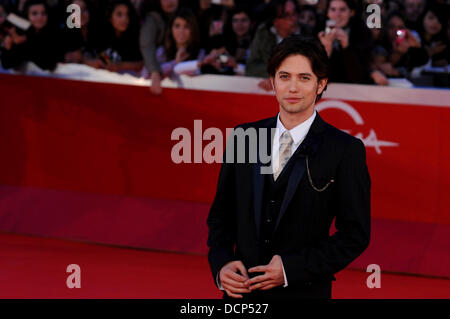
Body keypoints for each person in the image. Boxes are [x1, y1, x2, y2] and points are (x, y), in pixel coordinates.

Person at [207, 35, 371, 300]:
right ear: (273, 82)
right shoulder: (244, 137)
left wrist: (289, 269)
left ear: (321, 84)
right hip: (241, 296)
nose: (293, 87)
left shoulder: (345, 150)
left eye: (304, 78)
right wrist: (222, 262)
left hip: (304, 293)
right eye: (285, 77)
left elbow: (355, 235)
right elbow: (221, 215)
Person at [246, 0, 300, 90]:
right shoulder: (263, 33)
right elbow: (251, 66)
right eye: (287, 15)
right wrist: (275, 74)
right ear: (275, 21)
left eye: (295, 13)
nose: (294, 19)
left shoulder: (308, 32)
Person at [318, 0, 374, 84]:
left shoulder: (363, 35)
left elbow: (359, 76)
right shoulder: (318, 33)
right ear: (327, 13)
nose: (337, 15)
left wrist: (346, 47)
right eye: (333, 9)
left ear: (352, 12)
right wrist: (326, 51)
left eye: (342, 9)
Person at [1, 0, 60, 71]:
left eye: (43, 13)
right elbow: (7, 64)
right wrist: (8, 47)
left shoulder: (53, 35)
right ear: (27, 15)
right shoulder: (18, 35)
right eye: (34, 13)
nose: (39, 17)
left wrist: (28, 39)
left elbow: (49, 64)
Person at [96, 0, 143, 75]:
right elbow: (99, 55)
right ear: (110, 17)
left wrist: (121, 66)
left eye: (127, 14)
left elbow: (142, 63)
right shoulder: (101, 35)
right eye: (119, 14)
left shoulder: (135, 36)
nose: (124, 19)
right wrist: (107, 63)